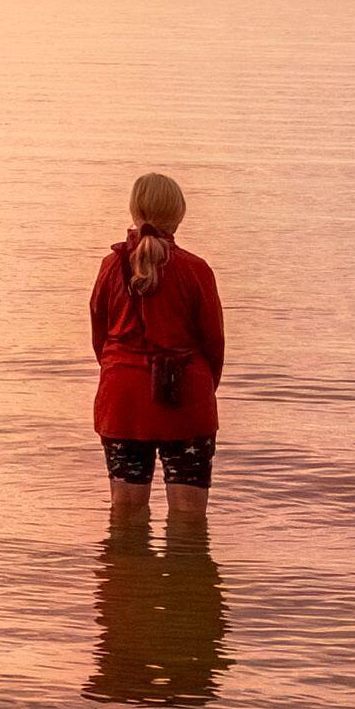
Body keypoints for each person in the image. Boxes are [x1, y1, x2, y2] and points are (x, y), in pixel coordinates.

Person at [86, 170, 226, 495]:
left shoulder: (110, 266)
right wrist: (203, 386)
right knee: (190, 524)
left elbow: (99, 336)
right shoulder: (196, 270)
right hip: (186, 398)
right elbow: (214, 343)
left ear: (135, 210)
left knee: (124, 520)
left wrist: (118, 371)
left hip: (122, 401)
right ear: (179, 214)